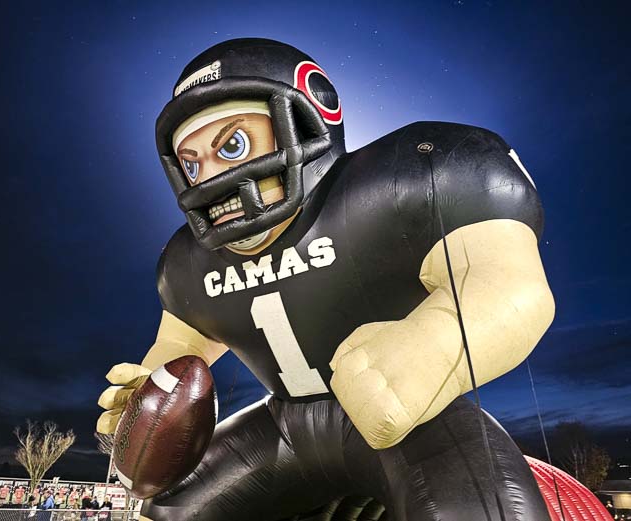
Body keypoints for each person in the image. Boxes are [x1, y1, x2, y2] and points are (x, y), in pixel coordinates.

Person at [97, 38, 555, 521]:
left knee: (476, 509)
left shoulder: (407, 174)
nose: (209, 180)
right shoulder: (187, 262)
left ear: (307, 120)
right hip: (283, 428)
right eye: (192, 164)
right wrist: (146, 403)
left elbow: (509, 284)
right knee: (170, 510)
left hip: (415, 425)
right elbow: (178, 354)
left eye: (232, 145)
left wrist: (430, 348)